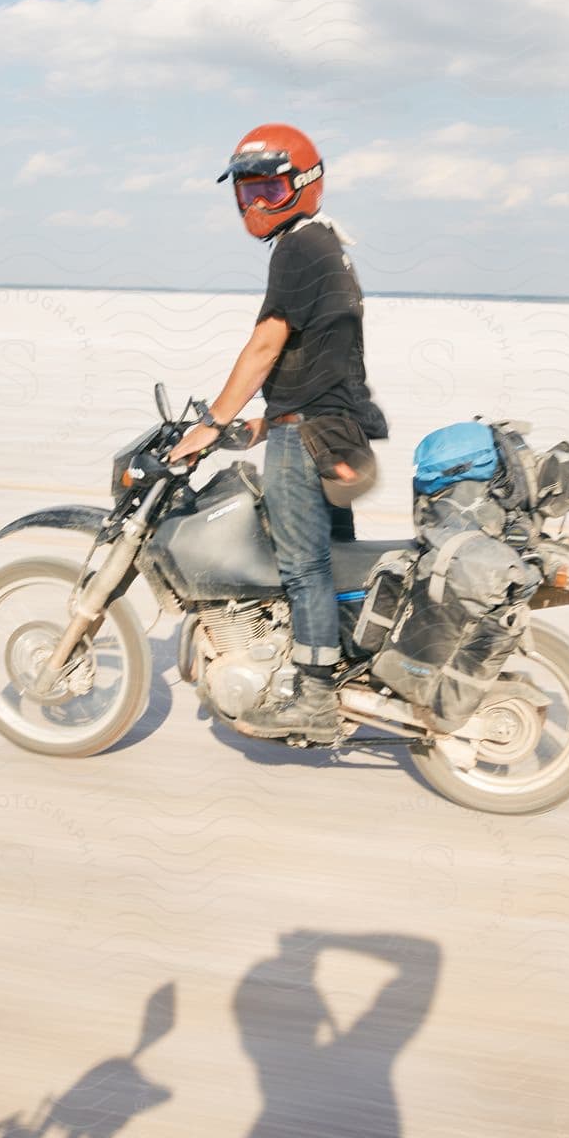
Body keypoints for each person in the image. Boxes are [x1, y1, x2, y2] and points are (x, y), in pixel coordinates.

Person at [169, 123, 385, 743]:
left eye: (269, 187)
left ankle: (315, 699)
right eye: (245, 192)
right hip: (334, 428)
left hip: (311, 436)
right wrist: (263, 421)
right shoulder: (325, 247)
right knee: (336, 563)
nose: (256, 203)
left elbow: (267, 342)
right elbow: (323, 356)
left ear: (305, 184)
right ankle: (342, 669)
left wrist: (209, 426)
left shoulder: (299, 247)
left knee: (301, 564)